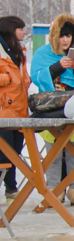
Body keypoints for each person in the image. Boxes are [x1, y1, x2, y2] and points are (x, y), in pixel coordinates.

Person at [30, 13, 74, 207]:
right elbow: (36, 77)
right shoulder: (43, 53)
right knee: (52, 151)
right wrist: (57, 68)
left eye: (69, 35)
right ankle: (54, 190)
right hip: (51, 108)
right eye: (62, 35)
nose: (65, 39)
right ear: (54, 36)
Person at [0, 16, 30, 200]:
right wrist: (7, 79)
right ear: (11, 30)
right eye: (21, 28)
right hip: (3, 110)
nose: (24, 32)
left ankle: (11, 187)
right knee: (4, 154)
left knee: (16, 152)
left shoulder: (19, 53)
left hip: (20, 109)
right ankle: (9, 187)